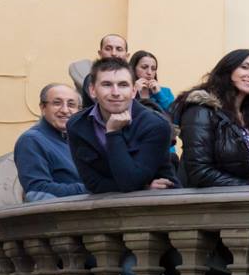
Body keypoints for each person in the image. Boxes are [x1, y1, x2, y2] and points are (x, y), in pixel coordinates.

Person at [68, 57, 176, 194]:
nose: (115, 93)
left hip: (159, 203)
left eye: (123, 85)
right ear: (92, 90)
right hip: (105, 204)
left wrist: (113, 133)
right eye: (107, 84)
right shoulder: (77, 125)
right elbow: (92, 183)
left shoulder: (156, 125)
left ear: (133, 91)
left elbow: (130, 182)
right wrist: (144, 188)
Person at [177, 49, 249, 187]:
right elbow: (199, 172)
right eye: (245, 67)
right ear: (228, 69)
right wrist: (247, 187)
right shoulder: (201, 109)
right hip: (217, 200)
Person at [15, 83, 86, 200]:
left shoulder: (78, 138)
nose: (65, 110)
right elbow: (38, 190)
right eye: (57, 103)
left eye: (71, 105)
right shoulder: (31, 140)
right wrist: (91, 188)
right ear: (43, 108)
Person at [68, 32, 129, 101]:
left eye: (119, 49)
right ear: (100, 53)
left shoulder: (131, 79)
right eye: (108, 49)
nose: (113, 53)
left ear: (127, 56)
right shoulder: (92, 79)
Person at [129, 49, 175, 115]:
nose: (149, 72)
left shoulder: (165, 92)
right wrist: (135, 93)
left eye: (153, 69)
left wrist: (159, 95)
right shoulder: (127, 91)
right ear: (133, 69)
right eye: (144, 67)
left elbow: (175, 116)